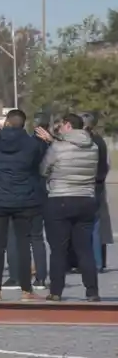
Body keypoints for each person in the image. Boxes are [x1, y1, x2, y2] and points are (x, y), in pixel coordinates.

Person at [0, 109, 45, 301]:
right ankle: (26, 290)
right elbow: (38, 165)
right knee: (23, 244)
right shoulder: (33, 143)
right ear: (23, 124)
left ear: (7, 122)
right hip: (25, 198)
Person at [37, 114, 101, 302]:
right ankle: (92, 291)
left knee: (58, 249)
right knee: (85, 249)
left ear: (67, 125)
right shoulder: (93, 147)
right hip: (86, 198)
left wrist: (52, 143)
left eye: (60, 126)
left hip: (60, 199)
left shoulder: (57, 147)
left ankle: (56, 291)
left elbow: (44, 170)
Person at [79, 111, 110, 273]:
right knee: (96, 225)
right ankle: (97, 262)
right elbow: (106, 164)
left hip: (88, 185)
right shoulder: (100, 141)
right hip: (98, 184)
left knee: (88, 226)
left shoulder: (88, 142)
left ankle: (90, 262)